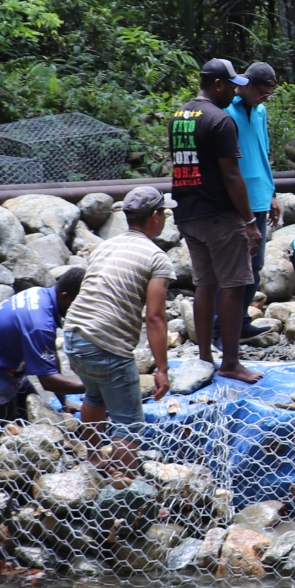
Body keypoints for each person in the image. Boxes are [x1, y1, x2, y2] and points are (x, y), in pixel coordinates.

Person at [170, 58, 264, 384]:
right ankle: (231, 362)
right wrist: (249, 221)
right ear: (218, 84)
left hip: (188, 213)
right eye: (232, 84)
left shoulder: (180, 115)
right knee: (234, 285)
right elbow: (231, 174)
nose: (236, 90)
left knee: (204, 285)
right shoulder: (221, 120)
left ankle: (205, 358)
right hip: (219, 216)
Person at [62, 186, 175, 438]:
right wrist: (162, 369)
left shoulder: (104, 246)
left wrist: (78, 348)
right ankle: (126, 476)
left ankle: (91, 465)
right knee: (130, 426)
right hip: (106, 345)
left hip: (73, 335)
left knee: (95, 396)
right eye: (164, 213)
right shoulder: (157, 258)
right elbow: (155, 317)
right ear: (155, 216)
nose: (166, 218)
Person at [0, 268, 86, 433]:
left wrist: (63, 401)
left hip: (2, 365)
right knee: (2, 442)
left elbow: (50, 357)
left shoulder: (41, 295)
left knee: (35, 423)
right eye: (81, 305)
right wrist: (92, 387)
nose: (83, 311)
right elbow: (48, 380)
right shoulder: (40, 324)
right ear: (65, 297)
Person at [227, 61, 280, 340]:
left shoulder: (260, 111)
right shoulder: (226, 111)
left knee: (255, 265)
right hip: (238, 201)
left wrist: (272, 194)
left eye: (268, 95)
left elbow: (263, 152)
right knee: (235, 267)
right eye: (262, 92)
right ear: (247, 85)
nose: (264, 98)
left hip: (261, 196)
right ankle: (222, 326)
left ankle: (242, 320)